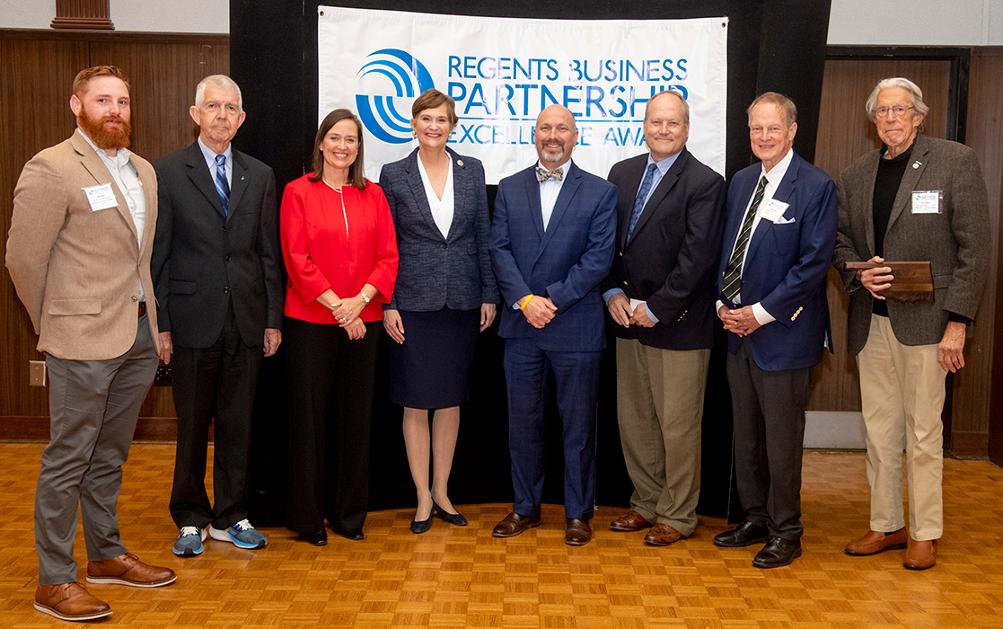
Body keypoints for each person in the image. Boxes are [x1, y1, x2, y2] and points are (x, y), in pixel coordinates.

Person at [6, 65, 176, 622]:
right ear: (76, 105)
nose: (115, 111)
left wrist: (150, 326)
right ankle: (54, 580)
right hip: (80, 338)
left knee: (109, 456)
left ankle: (104, 555)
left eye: (123, 102)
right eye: (103, 100)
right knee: (67, 458)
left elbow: (142, 257)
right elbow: (23, 259)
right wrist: (55, 322)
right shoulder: (51, 167)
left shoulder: (143, 170)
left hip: (136, 336)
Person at [833, 77, 989, 570]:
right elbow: (839, 244)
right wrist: (860, 272)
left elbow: (975, 250)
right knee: (879, 433)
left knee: (923, 433)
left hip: (929, 325)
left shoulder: (954, 161)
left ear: (920, 116)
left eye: (900, 110)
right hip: (872, 323)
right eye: (882, 111)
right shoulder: (856, 173)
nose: (890, 119)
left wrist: (958, 322)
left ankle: (925, 531)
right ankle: (886, 524)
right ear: (872, 119)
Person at [152, 74, 283, 557]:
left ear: (242, 118)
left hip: (246, 320)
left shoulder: (260, 174)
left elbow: (269, 254)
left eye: (231, 108)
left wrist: (272, 319)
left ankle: (232, 515)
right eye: (213, 107)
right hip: (190, 319)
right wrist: (161, 323)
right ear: (195, 113)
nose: (222, 116)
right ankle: (190, 516)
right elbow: (158, 256)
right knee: (191, 425)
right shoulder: (166, 172)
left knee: (238, 423)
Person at [712, 92, 837, 568]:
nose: (763, 137)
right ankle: (756, 518)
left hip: (782, 335)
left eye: (773, 129)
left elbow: (811, 265)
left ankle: (787, 530)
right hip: (735, 331)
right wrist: (724, 305)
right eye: (756, 129)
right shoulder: (743, 181)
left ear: (792, 131)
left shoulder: (816, 186)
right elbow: (728, 252)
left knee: (781, 440)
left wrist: (759, 312)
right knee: (745, 436)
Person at [602, 90, 727, 546]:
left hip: (678, 323)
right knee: (635, 419)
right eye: (656, 121)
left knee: (676, 425)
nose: (663, 130)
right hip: (627, 318)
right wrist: (612, 290)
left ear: (688, 128)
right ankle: (646, 502)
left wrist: (657, 308)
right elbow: (608, 241)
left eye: (673, 123)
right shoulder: (623, 173)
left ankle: (676, 515)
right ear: (644, 124)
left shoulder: (705, 182)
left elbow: (698, 259)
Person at [489, 104, 617, 546]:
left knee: (578, 427)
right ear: (534, 134)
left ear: (576, 136)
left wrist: (552, 300)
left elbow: (598, 259)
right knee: (522, 424)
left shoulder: (600, 192)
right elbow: (499, 250)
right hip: (522, 326)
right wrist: (526, 301)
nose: (553, 135)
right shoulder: (508, 188)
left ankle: (578, 513)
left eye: (562, 128)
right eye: (545, 127)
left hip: (576, 326)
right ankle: (525, 508)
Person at [378, 89, 498, 534]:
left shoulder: (472, 170)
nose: (434, 126)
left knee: (450, 401)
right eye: (426, 119)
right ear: (413, 124)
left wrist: (489, 293)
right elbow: (387, 246)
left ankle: (444, 490)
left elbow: (483, 237)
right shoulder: (393, 174)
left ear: (453, 125)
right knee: (415, 402)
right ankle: (422, 498)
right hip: (413, 303)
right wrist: (388, 302)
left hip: (462, 302)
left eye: (442, 120)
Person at [281, 109, 399, 546]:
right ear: (321, 143)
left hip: (363, 324)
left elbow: (388, 256)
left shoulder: (375, 195)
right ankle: (309, 519)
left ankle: (349, 515)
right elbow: (296, 258)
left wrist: (360, 303)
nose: (342, 146)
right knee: (310, 422)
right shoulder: (298, 192)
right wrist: (338, 308)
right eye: (335, 138)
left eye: (350, 140)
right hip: (312, 321)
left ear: (358, 148)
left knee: (355, 422)